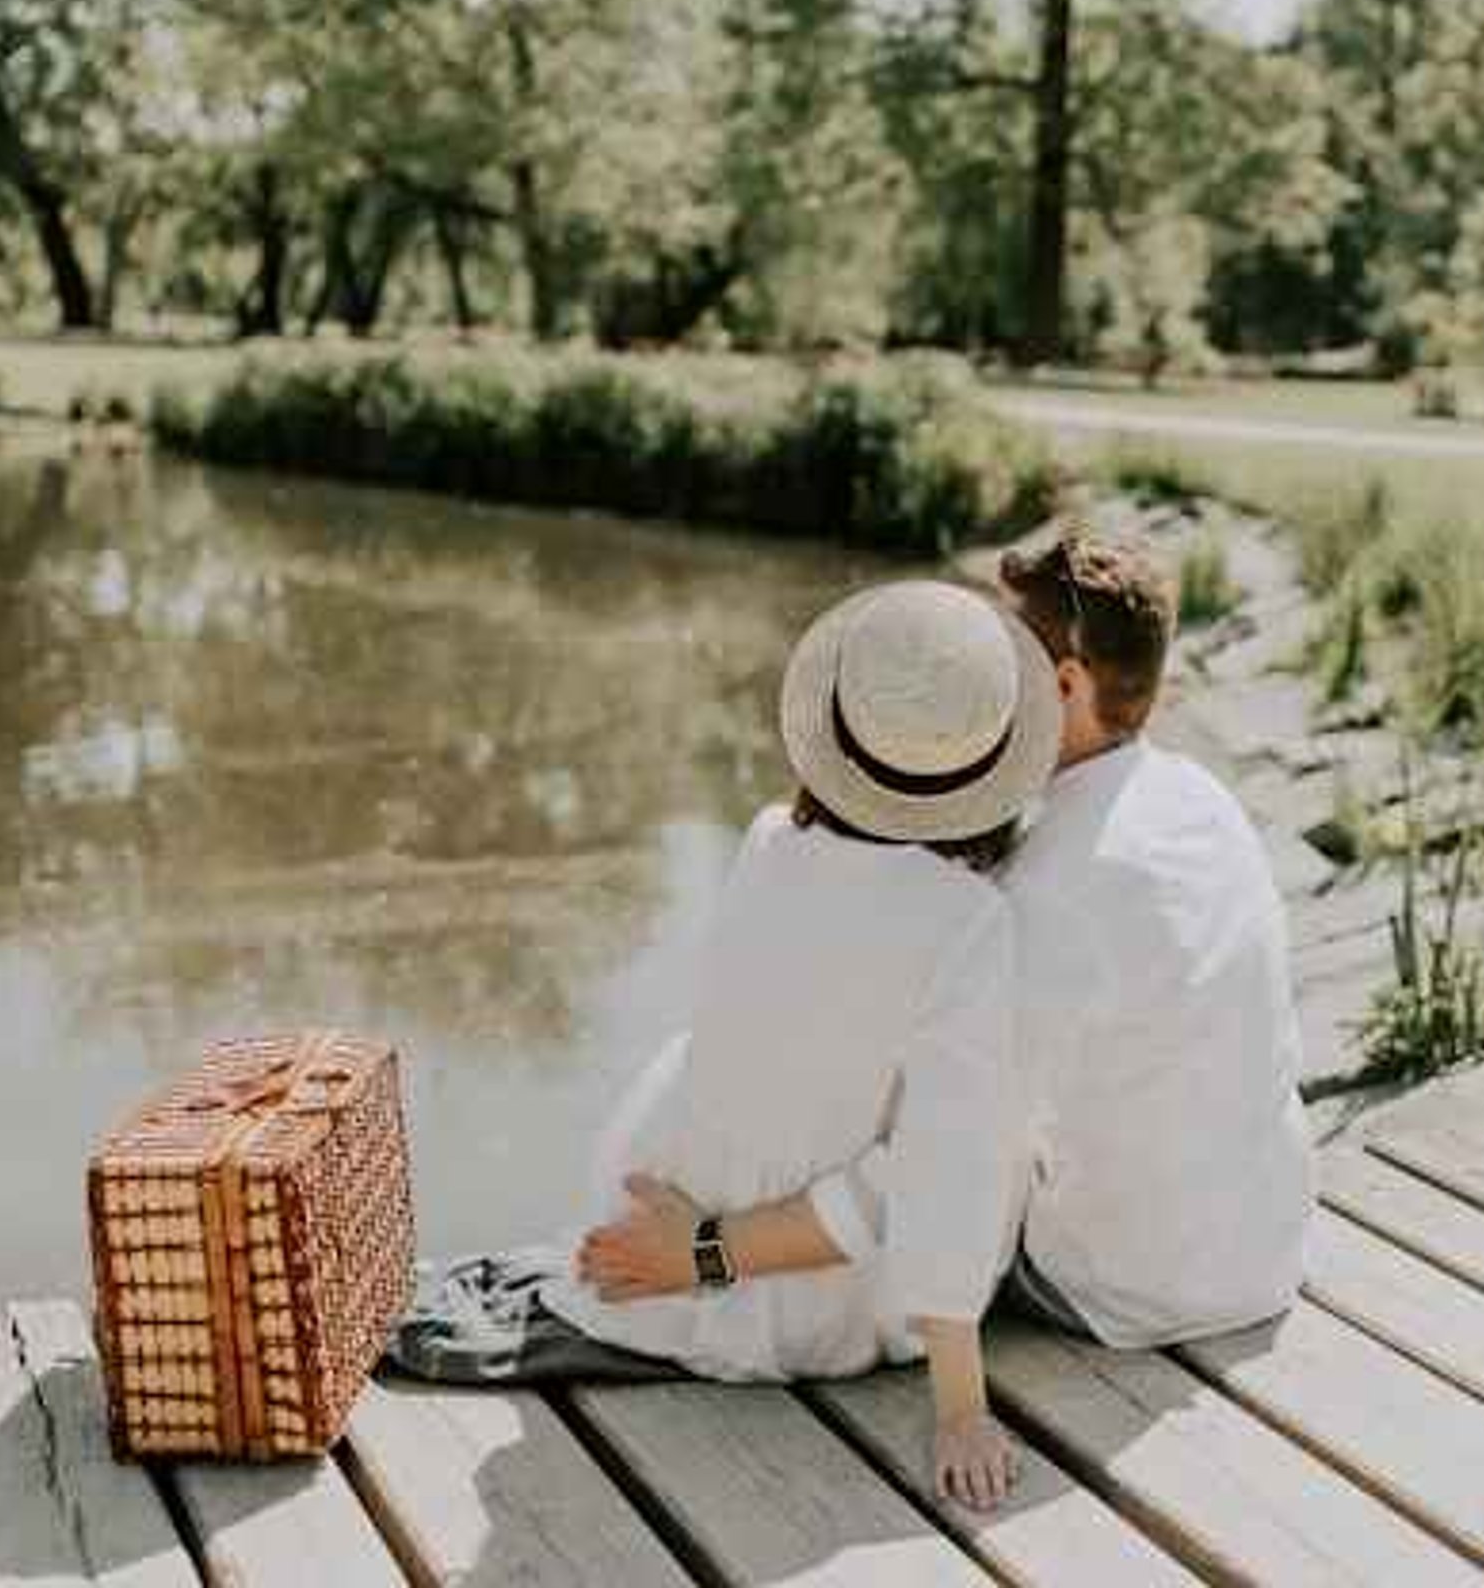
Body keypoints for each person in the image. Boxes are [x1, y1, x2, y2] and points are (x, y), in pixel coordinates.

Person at [387, 579, 1062, 1511]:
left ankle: (709, 1249)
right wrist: (960, 1409)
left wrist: (697, 1252)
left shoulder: (769, 841)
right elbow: (946, 1174)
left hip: (662, 1227)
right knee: (998, 1133)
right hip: (808, 1310)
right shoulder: (970, 922)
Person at [584, 532, 1314, 1348]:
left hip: (1128, 1288)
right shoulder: (1199, 800)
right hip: (1265, 1244)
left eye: (1000, 661)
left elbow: (931, 1170)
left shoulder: (1045, 898)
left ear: (1065, 685)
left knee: (904, 1109)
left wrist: (705, 1254)